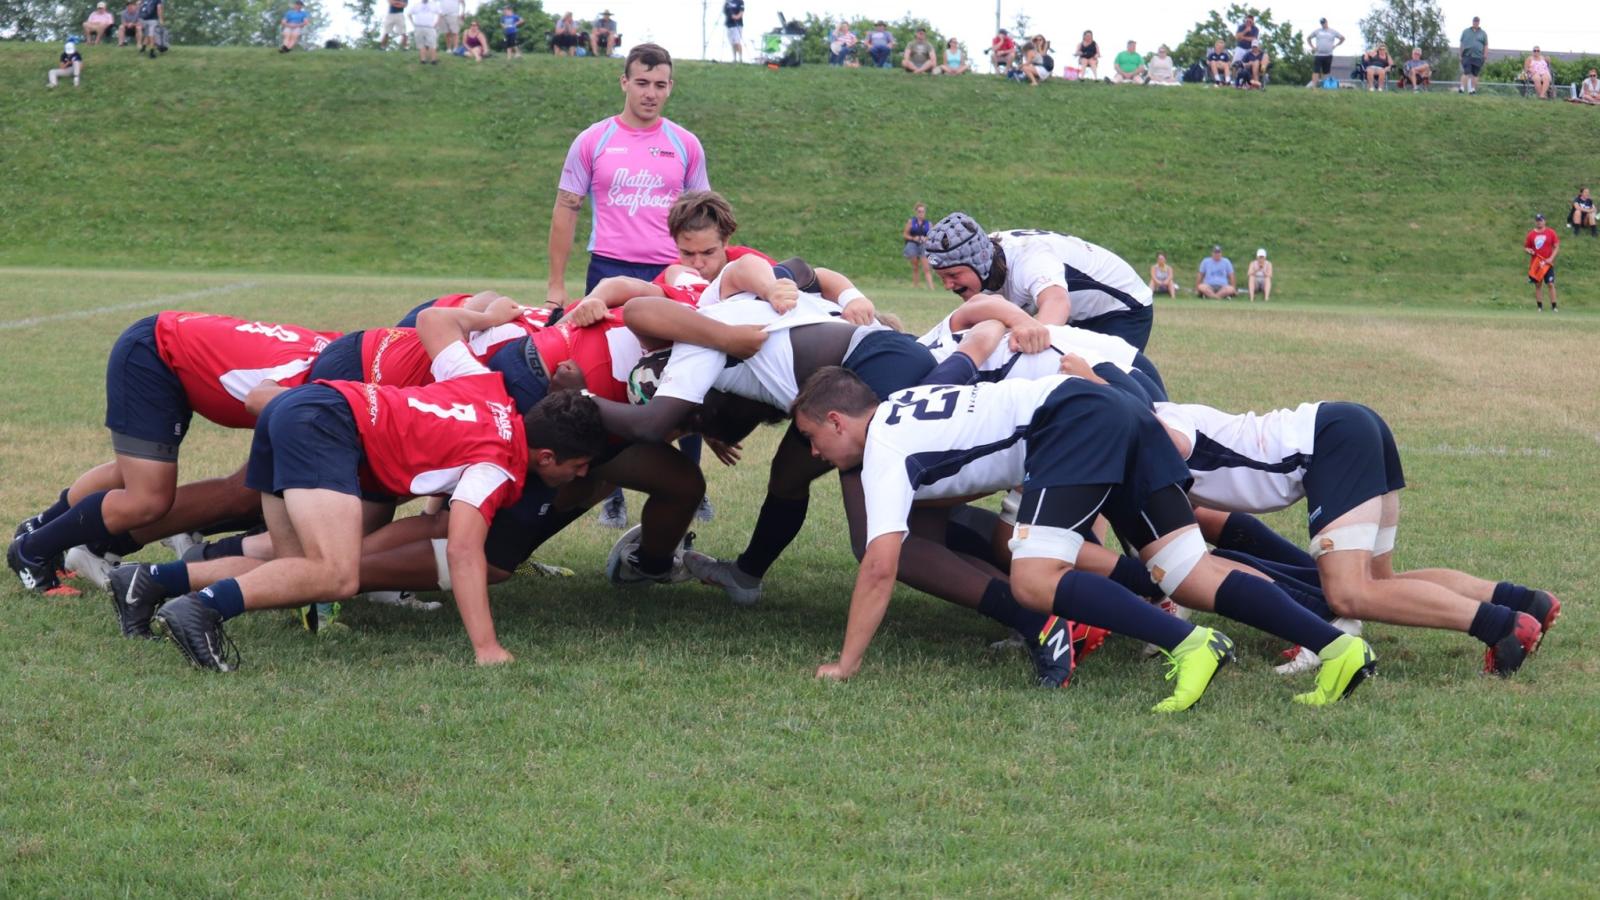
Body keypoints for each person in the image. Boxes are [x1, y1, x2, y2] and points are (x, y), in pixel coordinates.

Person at [791, 367, 1378, 708]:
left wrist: (846, 664)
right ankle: (1337, 647)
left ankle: (1191, 644)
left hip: (1071, 421)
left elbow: (879, 565)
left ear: (839, 420)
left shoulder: (883, 450)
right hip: (1111, 409)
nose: (815, 453)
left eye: (814, 438)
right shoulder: (904, 409)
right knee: (1187, 573)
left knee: (1033, 577)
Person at [144, 343, 608, 673]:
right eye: (581, 465)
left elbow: (436, 325)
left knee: (298, 571)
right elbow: (465, 553)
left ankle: (148, 582)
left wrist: (477, 319)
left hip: (304, 403)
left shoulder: (487, 386)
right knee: (337, 576)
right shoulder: (498, 466)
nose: (584, 476)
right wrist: (486, 646)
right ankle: (199, 608)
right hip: (326, 423)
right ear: (546, 457)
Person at [1154, 397, 1556, 677]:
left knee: (1349, 594)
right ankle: (1522, 600)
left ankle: (1503, 627)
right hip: (1346, 426)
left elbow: (1173, 452)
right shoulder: (1152, 420)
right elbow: (1205, 520)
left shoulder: (1150, 431)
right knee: (1380, 583)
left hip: (1331, 442)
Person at [7, 312, 338, 596]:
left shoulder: (343, 358)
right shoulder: (315, 384)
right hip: (153, 354)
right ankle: (32, 551)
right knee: (147, 497)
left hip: (166, 350)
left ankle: (39, 527)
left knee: (131, 473)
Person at [547, 43, 709, 527]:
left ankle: (690, 484)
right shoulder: (593, 140)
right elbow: (566, 210)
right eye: (642, 82)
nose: (651, 93)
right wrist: (557, 288)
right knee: (607, 381)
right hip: (608, 272)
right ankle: (610, 489)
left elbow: (702, 218)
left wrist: (705, 276)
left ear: (670, 87)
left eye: (661, 84)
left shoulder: (685, 144)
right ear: (624, 82)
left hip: (669, 277)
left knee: (685, 377)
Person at [925, 213, 1157, 350]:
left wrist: (1031, 343)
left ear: (980, 260)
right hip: (1078, 313)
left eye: (954, 275)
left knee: (1103, 387)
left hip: (1123, 308)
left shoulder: (1030, 259)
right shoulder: (989, 264)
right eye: (942, 277)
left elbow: (1056, 302)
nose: (948, 285)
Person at [1525, 213, 1560, 311]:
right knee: (1538, 285)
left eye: (1541, 220)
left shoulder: (1550, 232)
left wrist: (1551, 258)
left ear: (1544, 221)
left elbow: (1556, 246)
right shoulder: (1531, 234)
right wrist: (1529, 251)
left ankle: (1554, 306)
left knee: (1550, 284)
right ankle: (1539, 307)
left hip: (1548, 264)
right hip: (1536, 263)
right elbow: (1526, 247)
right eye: (1537, 220)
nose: (1539, 222)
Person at [902, 203, 934, 289]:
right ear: (916, 212)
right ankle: (915, 286)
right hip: (913, 245)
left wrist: (925, 238)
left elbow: (932, 235)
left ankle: (931, 288)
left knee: (926, 268)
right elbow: (905, 234)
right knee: (915, 267)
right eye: (919, 211)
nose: (921, 213)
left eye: (923, 212)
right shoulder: (911, 222)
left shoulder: (928, 223)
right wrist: (913, 238)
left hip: (923, 245)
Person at [1305, 17, 1344, 85]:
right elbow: (1308, 38)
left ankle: (1325, 86)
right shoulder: (1317, 31)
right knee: (1316, 71)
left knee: (1326, 72)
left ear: (1327, 22)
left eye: (1324, 22)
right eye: (1322, 23)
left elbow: (1342, 38)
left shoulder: (1333, 31)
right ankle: (1314, 87)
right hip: (1318, 54)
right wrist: (1313, 47)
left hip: (1328, 54)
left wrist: (1336, 45)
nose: (1323, 24)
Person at [1458, 16, 1486, 94]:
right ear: (1472, 22)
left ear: (1479, 22)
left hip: (1478, 56)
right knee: (1466, 72)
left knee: (1475, 74)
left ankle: (1472, 90)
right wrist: (1460, 55)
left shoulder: (1483, 33)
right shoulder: (1466, 31)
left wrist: (1485, 55)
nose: (1476, 22)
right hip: (1467, 55)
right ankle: (1462, 88)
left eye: (1477, 21)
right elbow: (1461, 43)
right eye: (1474, 21)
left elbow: (1486, 45)